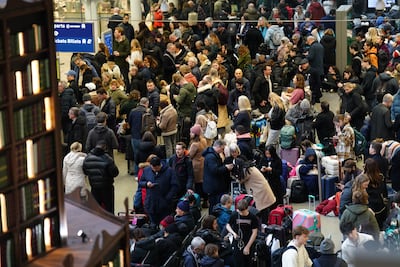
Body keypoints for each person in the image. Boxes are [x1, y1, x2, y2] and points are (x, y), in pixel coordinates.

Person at [138, 156, 179, 227]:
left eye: (156, 168)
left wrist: (167, 197)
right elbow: (140, 182)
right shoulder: (146, 170)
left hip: (164, 204)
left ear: (160, 165)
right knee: (153, 224)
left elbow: (175, 186)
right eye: (153, 169)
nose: (155, 170)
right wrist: (146, 184)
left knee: (164, 224)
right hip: (151, 203)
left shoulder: (169, 171)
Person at [83, 140, 119, 213]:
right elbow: (115, 173)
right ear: (105, 148)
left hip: (94, 188)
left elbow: (85, 171)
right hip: (107, 188)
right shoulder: (108, 159)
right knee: (109, 208)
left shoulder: (87, 158)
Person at [202, 139, 234, 214]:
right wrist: (226, 167)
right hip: (213, 186)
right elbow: (214, 170)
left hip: (214, 185)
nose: (223, 150)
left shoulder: (213, 155)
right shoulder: (211, 157)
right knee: (214, 205)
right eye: (222, 148)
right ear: (218, 147)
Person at [226, 199, 258, 267]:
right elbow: (228, 225)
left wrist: (248, 246)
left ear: (247, 208)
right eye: (239, 211)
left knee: (247, 263)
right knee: (237, 262)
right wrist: (233, 233)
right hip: (237, 243)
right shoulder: (234, 214)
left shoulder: (252, 217)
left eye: (242, 212)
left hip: (248, 242)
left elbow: (254, 232)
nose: (240, 213)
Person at [364, 158, 388, 229]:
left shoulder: (364, 179)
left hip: (369, 205)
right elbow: (384, 190)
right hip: (380, 204)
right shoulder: (381, 177)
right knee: (380, 225)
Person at [128, 97, 150, 173]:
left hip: (134, 136)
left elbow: (129, 123)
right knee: (146, 155)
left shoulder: (132, 111)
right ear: (147, 103)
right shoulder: (147, 112)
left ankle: (137, 173)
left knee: (136, 155)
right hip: (145, 137)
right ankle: (146, 172)